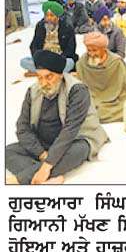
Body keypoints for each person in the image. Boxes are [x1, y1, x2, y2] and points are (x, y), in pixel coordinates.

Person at [6, 50, 108, 184]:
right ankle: (48, 178)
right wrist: (42, 154)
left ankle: (21, 179)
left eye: (49, 77)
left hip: (74, 140)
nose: (43, 83)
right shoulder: (33, 91)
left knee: (79, 151)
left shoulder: (77, 90)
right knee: (7, 152)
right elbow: (22, 127)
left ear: (60, 75)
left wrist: (48, 164)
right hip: (44, 142)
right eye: (39, 77)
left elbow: (70, 130)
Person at [76, 31, 126, 123]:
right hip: (91, 99)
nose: (91, 54)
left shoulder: (116, 62)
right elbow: (80, 86)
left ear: (103, 49)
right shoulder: (82, 62)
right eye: (89, 50)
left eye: (95, 50)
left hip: (114, 101)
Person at [21, 0, 77, 73]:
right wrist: (37, 57)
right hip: (43, 57)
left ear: (57, 16)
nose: (49, 18)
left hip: (59, 58)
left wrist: (60, 59)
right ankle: (53, 71)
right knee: (23, 62)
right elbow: (34, 45)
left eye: (52, 15)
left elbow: (71, 48)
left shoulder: (67, 27)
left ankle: (43, 70)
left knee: (70, 62)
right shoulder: (40, 26)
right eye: (46, 15)